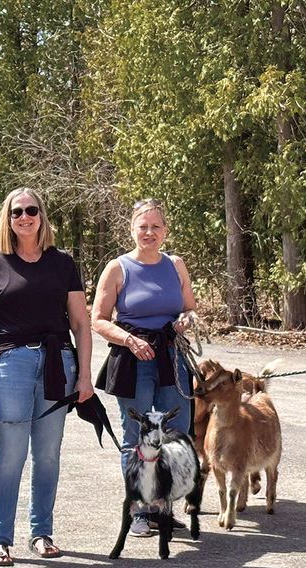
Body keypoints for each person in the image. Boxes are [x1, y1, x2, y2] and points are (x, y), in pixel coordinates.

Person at [0, 187, 94, 567]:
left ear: (42, 215)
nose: (25, 217)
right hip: (11, 364)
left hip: (57, 364)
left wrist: (84, 376)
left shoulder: (63, 263)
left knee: (47, 454)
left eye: (31, 210)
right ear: (8, 218)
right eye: (17, 212)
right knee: (11, 453)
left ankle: (42, 532)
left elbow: (81, 324)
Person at [90, 199, 197, 538]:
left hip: (172, 356)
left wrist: (185, 320)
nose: (149, 232)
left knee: (176, 434)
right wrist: (129, 340)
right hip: (133, 359)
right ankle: (139, 510)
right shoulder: (117, 268)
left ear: (165, 231)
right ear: (132, 230)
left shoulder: (176, 265)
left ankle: (161, 508)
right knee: (137, 438)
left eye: (156, 227)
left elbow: (190, 308)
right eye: (143, 226)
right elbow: (98, 320)